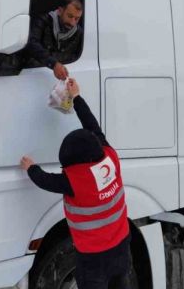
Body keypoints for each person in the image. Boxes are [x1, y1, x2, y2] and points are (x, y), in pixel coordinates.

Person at [20, 78, 133, 289]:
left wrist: (30, 167)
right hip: (121, 247)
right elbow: (93, 126)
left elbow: (45, 180)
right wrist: (77, 97)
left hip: (94, 258)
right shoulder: (110, 157)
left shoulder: (74, 181)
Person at [25, 0, 83, 80]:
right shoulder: (43, 22)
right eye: (70, 16)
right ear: (60, 11)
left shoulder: (79, 33)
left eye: (77, 19)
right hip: (35, 76)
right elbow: (31, 43)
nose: (72, 23)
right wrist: (53, 64)